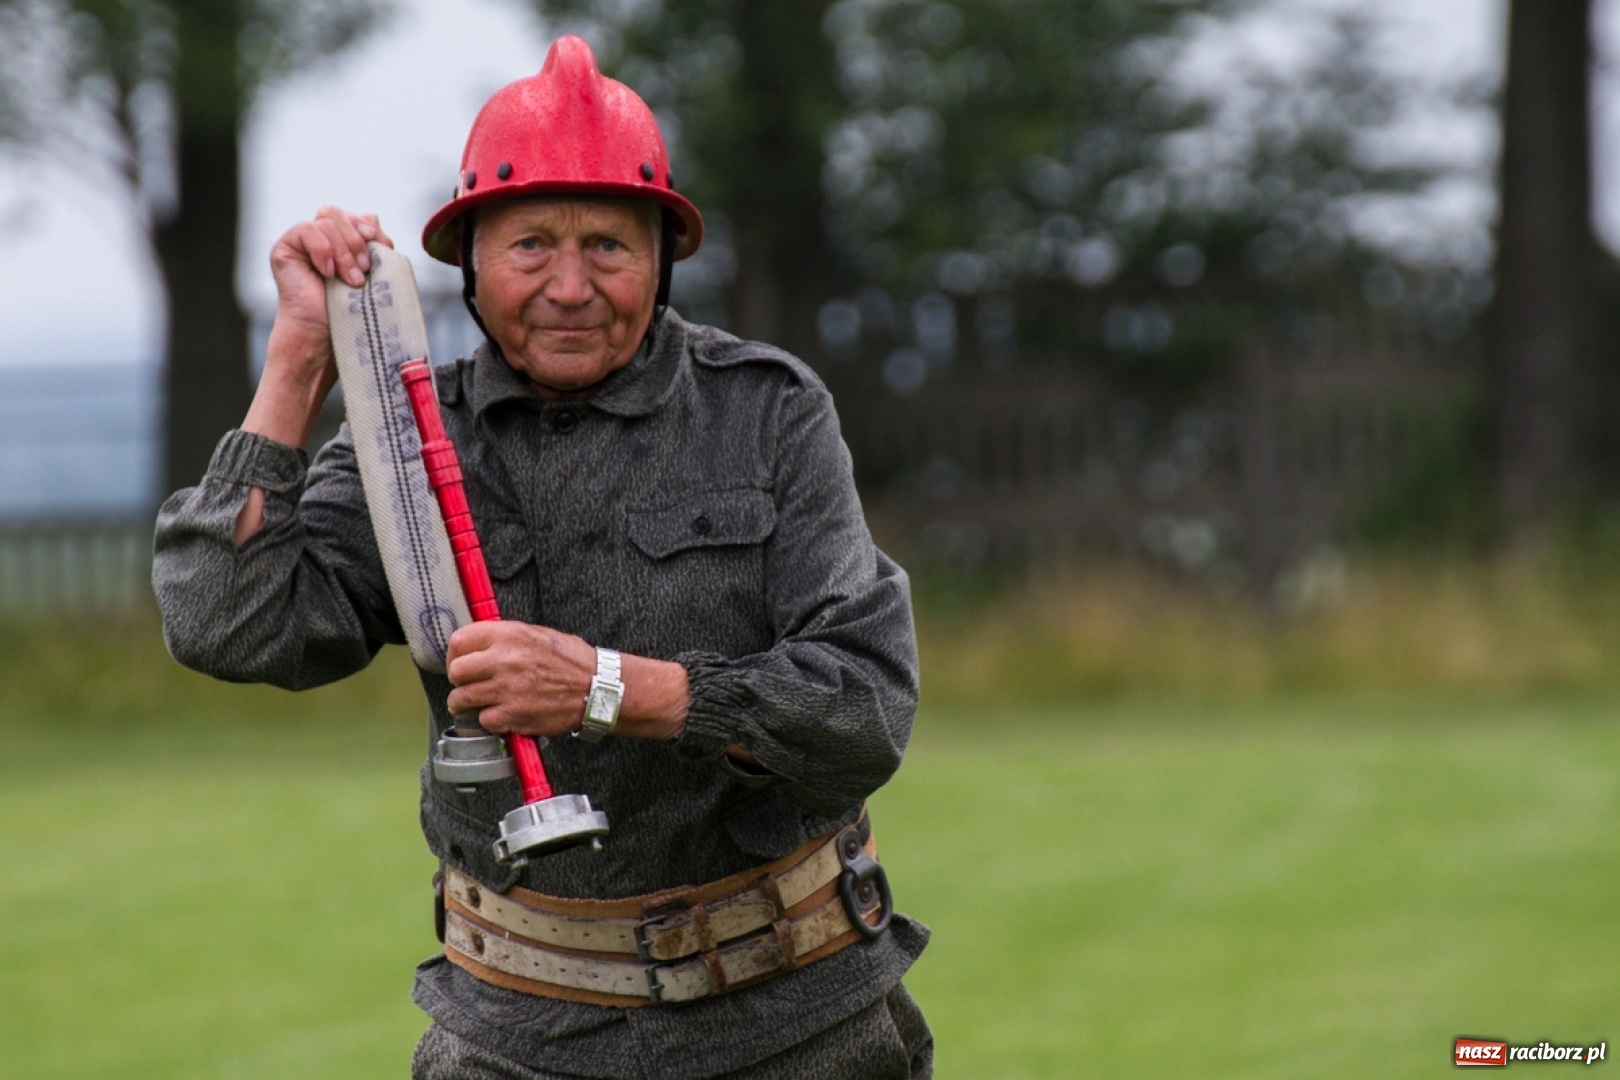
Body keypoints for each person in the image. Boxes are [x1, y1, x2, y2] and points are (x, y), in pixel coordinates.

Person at [152, 35, 931, 1079]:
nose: (570, 286)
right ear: (470, 262)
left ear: (662, 257)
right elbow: (223, 622)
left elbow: (863, 709)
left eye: (608, 245)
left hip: (801, 1024)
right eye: (531, 248)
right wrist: (300, 358)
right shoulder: (408, 445)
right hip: (518, 1040)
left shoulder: (768, 413)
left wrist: (606, 686)